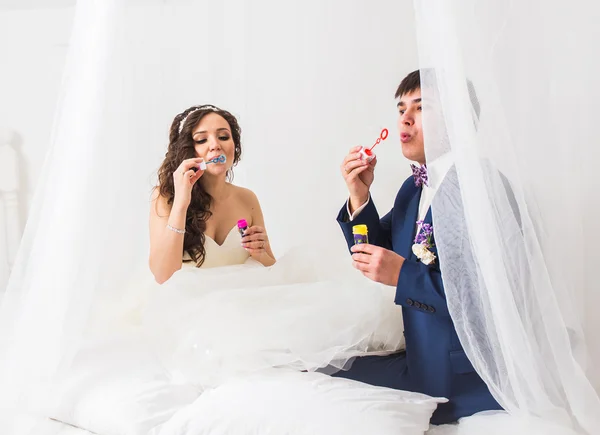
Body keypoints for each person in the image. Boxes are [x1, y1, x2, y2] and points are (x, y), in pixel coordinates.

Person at [332, 70, 503, 424]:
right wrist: (359, 197)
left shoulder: (481, 191)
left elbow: (481, 300)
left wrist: (402, 275)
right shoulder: (413, 188)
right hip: (421, 360)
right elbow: (379, 248)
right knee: (318, 373)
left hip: (466, 377)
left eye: (420, 107)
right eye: (400, 109)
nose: (405, 119)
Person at [149, 104, 276, 283]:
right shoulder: (165, 198)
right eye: (201, 140)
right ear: (188, 150)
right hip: (188, 306)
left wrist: (261, 253)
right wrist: (181, 204)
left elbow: (274, 269)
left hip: (243, 302)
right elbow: (163, 277)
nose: (215, 145)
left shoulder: (248, 199)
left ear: (235, 147)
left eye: (223, 137)